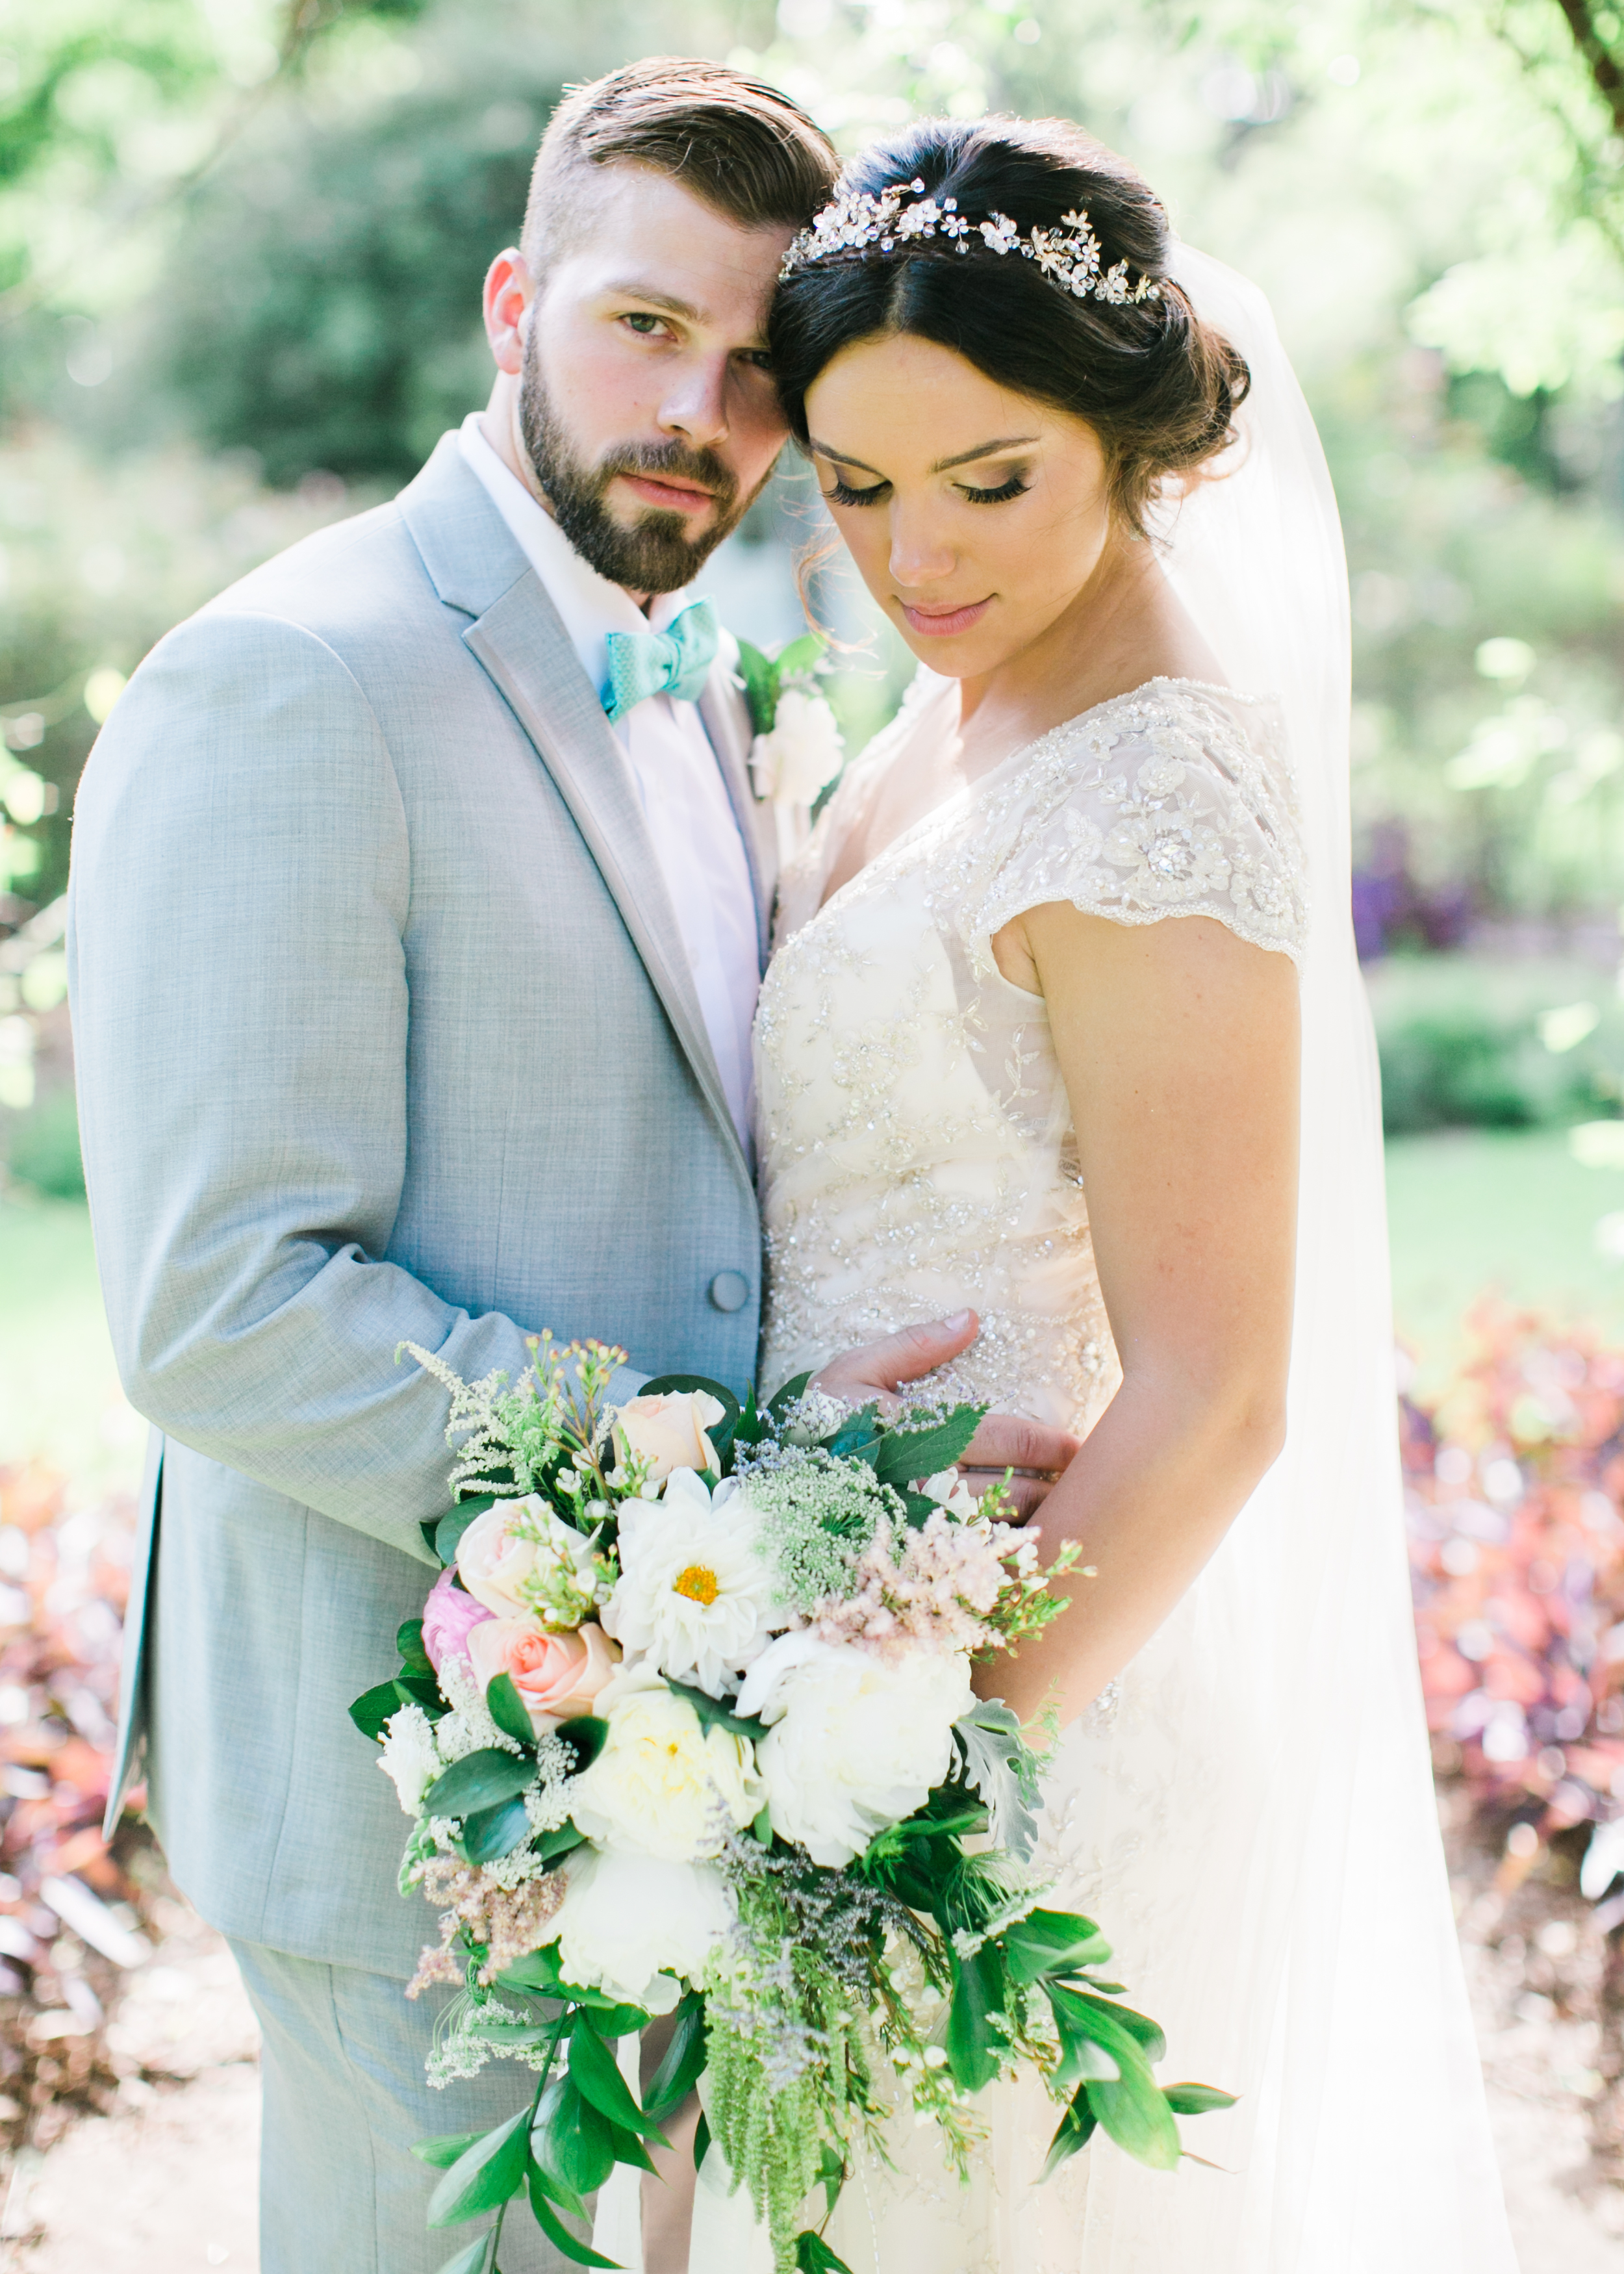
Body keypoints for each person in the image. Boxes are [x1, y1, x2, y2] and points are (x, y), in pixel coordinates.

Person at [66, 64, 1072, 2274]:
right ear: (517, 300)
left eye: (749, 369)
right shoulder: (289, 680)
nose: (694, 412)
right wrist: (705, 1516)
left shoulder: (689, 665)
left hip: (685, 1749)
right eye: (640, 327)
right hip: (413, 1765)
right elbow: (223, 1299)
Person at [748, 118, 1521, 2272]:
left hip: (1014, 1731)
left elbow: (1218, 1388)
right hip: (821, 1673)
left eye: (988, 479)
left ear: (1136, 429)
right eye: (858, 483)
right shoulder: (958, 710)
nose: (915, 554)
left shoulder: (1157, 784)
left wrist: (906, 1777)